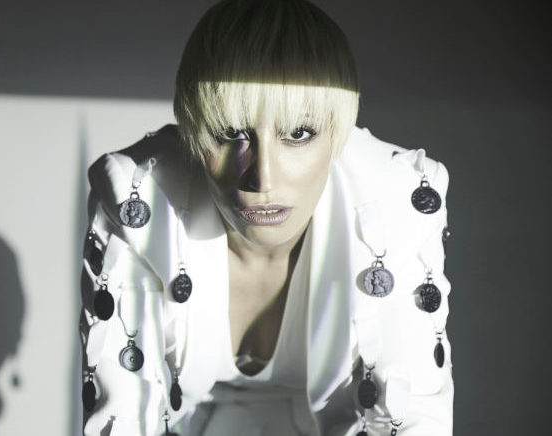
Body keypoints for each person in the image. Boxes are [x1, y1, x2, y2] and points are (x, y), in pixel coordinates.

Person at [79, 0, 453, 434]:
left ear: (339, 132)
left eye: (298, 133)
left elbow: (414, 415)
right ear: (194, 131)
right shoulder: (136, 199)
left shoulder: (398, 200)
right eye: (230, 133)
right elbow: (125, 415)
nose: (263, 178)